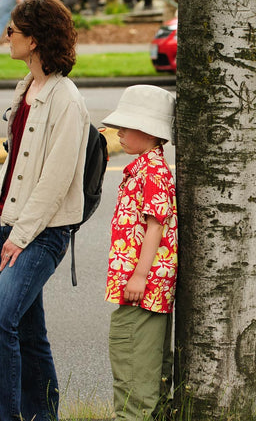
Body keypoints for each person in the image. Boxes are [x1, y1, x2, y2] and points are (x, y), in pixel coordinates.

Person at [0, 0, 90, 421]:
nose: (6, 37)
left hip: (40, 234)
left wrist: (21, 237)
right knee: (27, 330)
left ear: (35, 39)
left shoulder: (67, 99)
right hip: (5, 221)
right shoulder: (27, 87)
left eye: (13, 31)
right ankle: (44, 415)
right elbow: (16, 155)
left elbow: (56, 179)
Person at [102, 85, 178, 421]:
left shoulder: (152, 172)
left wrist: (139, 275)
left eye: (126, 125)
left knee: (132, 362)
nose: (118, 131)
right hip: (146, 287)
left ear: (148, 131)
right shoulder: (145, 168)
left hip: (143, 288)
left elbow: (155, 226)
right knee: (145, 365)